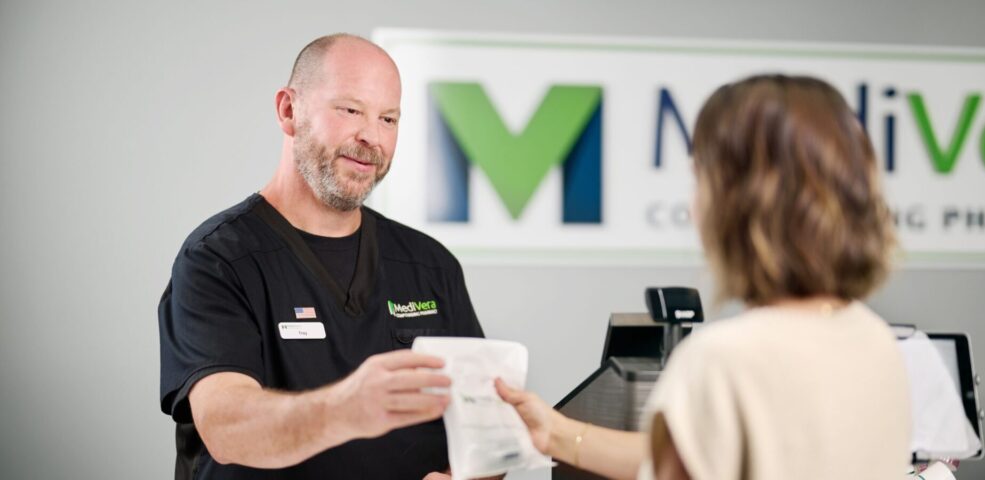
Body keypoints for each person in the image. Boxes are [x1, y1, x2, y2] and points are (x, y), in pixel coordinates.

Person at [496, 75, 912, 480]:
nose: (693, 205)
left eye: (700, 177)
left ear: (739, 202)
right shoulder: (874, 338)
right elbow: (696, 457)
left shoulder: (723, 360)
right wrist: (556, 433)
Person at [158, 33, 487, 480]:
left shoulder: (429, 264)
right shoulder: (218, 260)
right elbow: (226, 427)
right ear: (289, 110)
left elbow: (484, 430)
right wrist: (348, 409)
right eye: (350, 110)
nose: (371, 136)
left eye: (388, 118)